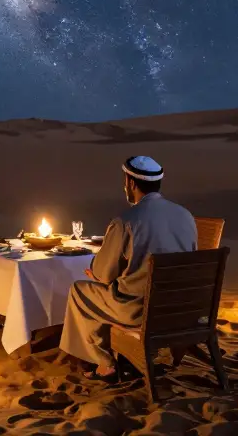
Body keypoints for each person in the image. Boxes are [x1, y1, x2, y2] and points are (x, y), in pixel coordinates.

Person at [58, 155, 199, 380]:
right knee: (109, 291)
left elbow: (104, 275)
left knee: (80, 291)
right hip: (181, 308)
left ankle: (103, 363)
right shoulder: (186, 216)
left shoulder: (126, 221)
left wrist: (95, 271)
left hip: (140, 311)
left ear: (131, 183)